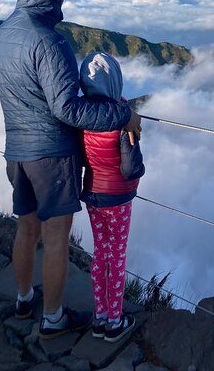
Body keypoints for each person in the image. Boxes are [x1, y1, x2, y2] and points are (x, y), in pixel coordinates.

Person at [0, 0, 142, 340]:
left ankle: (24, 298)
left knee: (26, 228)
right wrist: (122, 114)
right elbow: (67, 108)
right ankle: (54, 317)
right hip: (51, 157)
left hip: (15, 151)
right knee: (56, 235)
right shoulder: (49, 40)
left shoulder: (3, 33)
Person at [78, 52, 144, 343]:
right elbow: (130, 168)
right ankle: (115, 323)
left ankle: (100, 317)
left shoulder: (81, 115)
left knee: (100, 254)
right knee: (116, 257)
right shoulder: (121, 117)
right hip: (118, 197)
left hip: (93, 194)